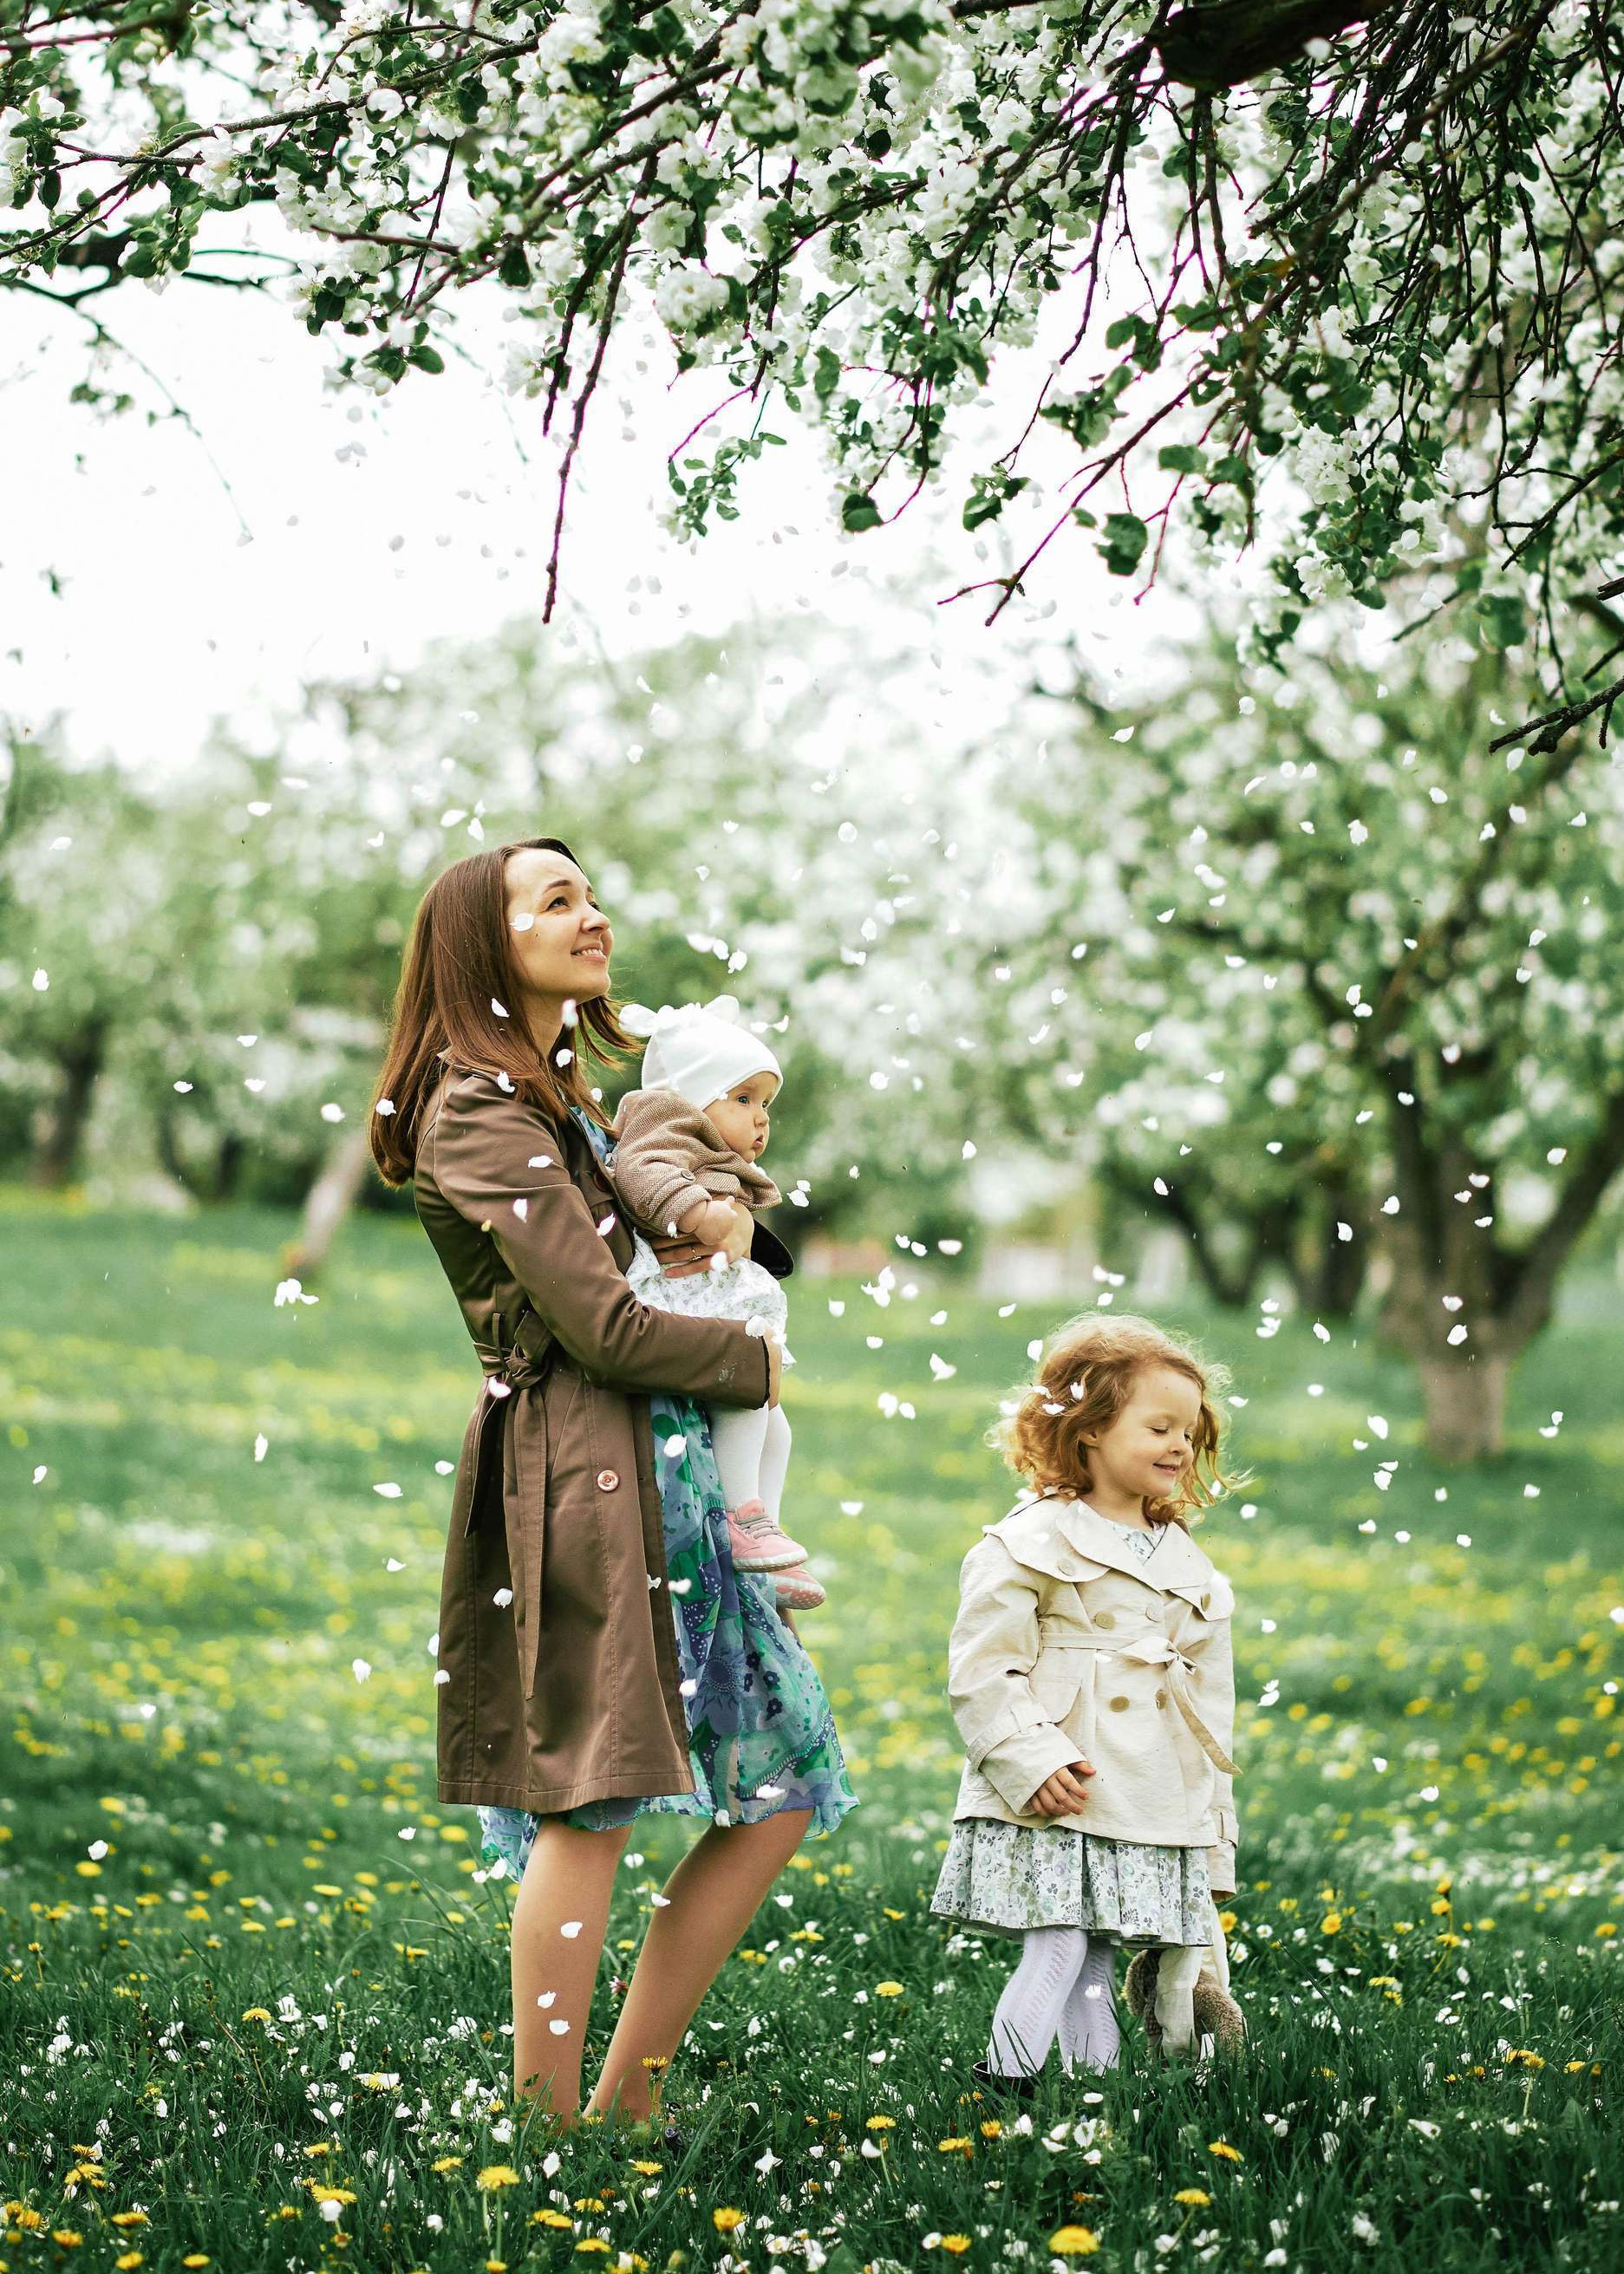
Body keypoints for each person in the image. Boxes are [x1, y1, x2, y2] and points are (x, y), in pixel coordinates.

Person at [368, 837, 856, 2136]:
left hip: (678, 1475)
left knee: (782, 1784)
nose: (593, 915)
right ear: (487, 940)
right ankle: (544, 2122)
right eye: (557, 899)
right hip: (578, 1473)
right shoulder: (472, 1108)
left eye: (591, 893)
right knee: (591, 1799)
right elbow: (603, 1330)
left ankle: (629, 2094)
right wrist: (758, 1357)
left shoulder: (566, 1091)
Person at [929, 1313, 1246, 2087]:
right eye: (1159, 1425)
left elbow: (1209, 1709)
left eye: (1190, 1432)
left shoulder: (1187, 1563)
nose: (1179, 1445)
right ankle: (1006, 2075)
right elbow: (984, 1666)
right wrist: (1027, 1755)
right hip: (1061, 1778)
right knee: (1062, 1938)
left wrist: (1212, 1824)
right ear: (1091, 1427)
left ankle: (1091, 2090)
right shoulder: (1031, 1540)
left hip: (1145, 1787)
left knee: (1097, 1945)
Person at [610, 994, 822, 1610]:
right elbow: (639, 1170)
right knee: (745, 1397)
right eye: (744, 1098)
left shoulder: (707, 1148)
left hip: (707, 1297)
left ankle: (764, 1538)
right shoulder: (664, 1125)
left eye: (766, 1105)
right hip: (678, 1297)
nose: (761, 1120)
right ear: (693, 1095)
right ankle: (740, 1514)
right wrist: (699, 1211)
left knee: (774, 1429)